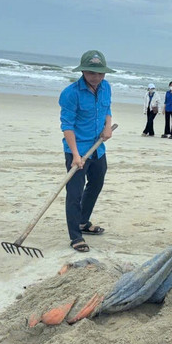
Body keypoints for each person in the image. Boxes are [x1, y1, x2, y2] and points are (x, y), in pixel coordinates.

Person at [59, 50, 115, 252]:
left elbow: (107, 109)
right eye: (92, 73)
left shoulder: (106, 87)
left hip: (98, 148)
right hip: (78, 149)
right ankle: (76, 236)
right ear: (83, 71)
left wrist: (107, 126)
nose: (97, 77)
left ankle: (83, 221)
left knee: (97, 183)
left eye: (101, 73)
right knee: (74, 192)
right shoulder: (71, 93)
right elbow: (67, 125)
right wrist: (75, 154)